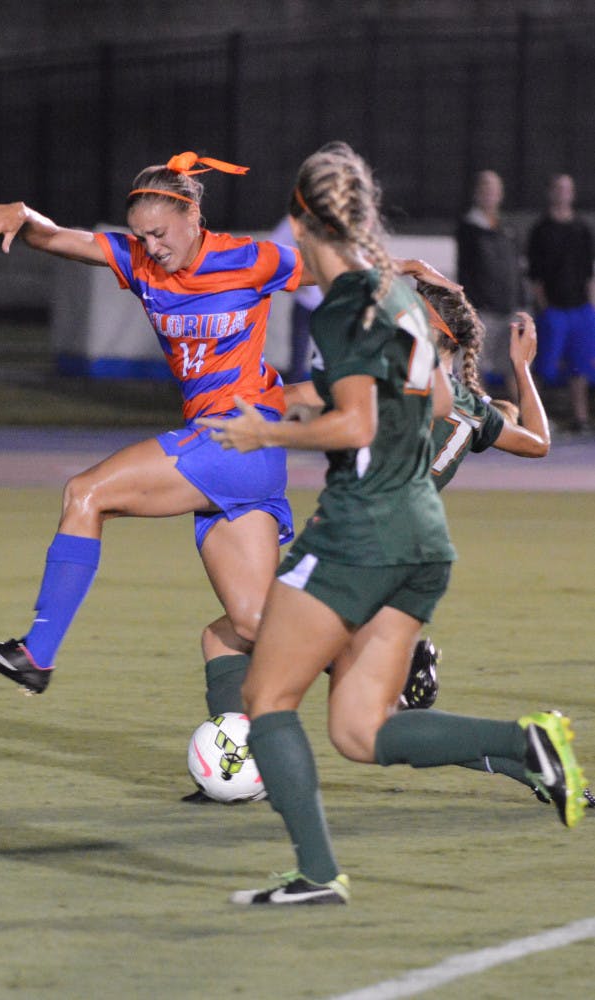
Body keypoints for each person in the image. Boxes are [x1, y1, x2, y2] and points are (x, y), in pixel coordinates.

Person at [200, 141, 589, 905]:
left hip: (360, 529)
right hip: (422, 538)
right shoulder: (402, 300)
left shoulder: (347, 306)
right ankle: (524, 743)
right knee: (358, 732)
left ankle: (315, 875)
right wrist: (309, 403)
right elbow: (439, 405)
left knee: (266, 697)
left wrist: (269, 430)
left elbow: (354, 426)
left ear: (303, 222)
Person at [0, 152, 306, 737]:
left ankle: (38, 652)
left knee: (85, 492)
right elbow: (60, 240)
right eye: (142, 234)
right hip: (234, 460)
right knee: (251, 622)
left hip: (237, 437)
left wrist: (411, 273)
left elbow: (341, 272)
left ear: (194, 217)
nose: (152, 245)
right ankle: (390, 665)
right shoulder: (139, 260)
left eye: (161, 233)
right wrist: (23, 214)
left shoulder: (249, 258)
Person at [527, 173, 595, 433]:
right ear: (550, 193)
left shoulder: (582, 229)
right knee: (544, 365)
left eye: (567, 189)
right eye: (557, 188)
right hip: (553, 310)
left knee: (580, 366)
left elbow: (589, 272)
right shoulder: (540, 230)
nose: (562, 193)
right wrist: (544, 306)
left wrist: (591, 307)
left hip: (581, 310)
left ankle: (580, 418)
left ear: (572, 193)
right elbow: (534, 275)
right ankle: (538, 419)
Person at [457, 170, 521, 400]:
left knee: (514, 365)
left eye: (494, 189)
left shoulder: (507, 228)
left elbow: (515, 268)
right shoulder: (469, 228)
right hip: (483, 310)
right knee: (476, 366)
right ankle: (484, 419)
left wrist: (520, 303)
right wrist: (471, 306)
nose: (490, 194)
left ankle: (521, 418)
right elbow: (466, 269)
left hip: (508, 308)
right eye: (485, 189)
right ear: (477, 193)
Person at [269, 215, 323, 381]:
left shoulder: (340, 219)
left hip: (331, 302)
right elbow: (272, 248)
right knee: (298, 357)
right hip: (305, 302)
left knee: (330, 356)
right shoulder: (297, 221)